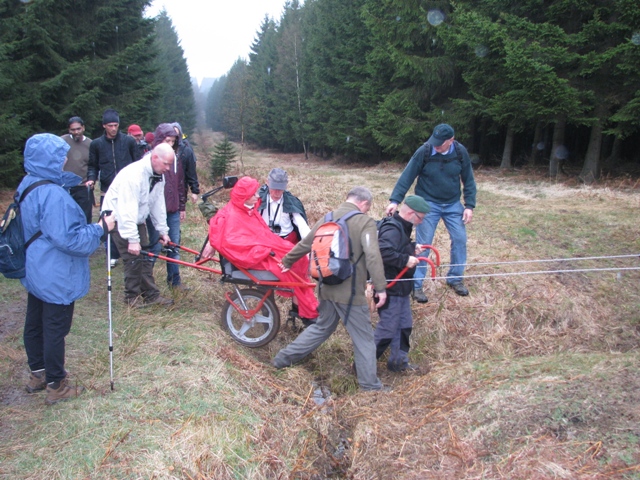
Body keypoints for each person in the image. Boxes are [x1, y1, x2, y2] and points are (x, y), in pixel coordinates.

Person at [18, 133, 115, 404]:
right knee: (54, 328)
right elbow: (71, 239)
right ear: (49, 159)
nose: (64, 159)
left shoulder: (29, 182)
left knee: (35, 321)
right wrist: (100, 229)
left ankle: (38, 374)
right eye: (59, 156)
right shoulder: (51, 195)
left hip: (36, 265)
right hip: (54, 271)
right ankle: (56, 385)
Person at [273, 186, 389, 392]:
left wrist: (288, 260)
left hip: (325, 287)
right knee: (364, 338)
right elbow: (372, 255)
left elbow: (306, 243)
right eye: (367, 208)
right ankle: (370, 385)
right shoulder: (364, 222)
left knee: (321, 328)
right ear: (364, 204)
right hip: (350, 294)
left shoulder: (328, 218)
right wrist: (380, 287)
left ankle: (281, 359)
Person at [200, 177, 319, 321]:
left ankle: (299, 306)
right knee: (293, 264)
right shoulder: (234, 214)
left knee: (296, 257)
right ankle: (304, 309)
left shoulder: (243, 208)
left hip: (265, 247)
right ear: (244, 196)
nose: (258, 196)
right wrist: (262, 250)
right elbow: (234, 246)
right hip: (257, 256)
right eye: (253, 194)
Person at [385, 123, 477, 301]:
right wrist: (394, 200)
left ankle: (455, 278)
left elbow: (468, 179)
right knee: (423, 244)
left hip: (452, 205)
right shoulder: (425, 151)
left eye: (441, 143)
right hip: (428, 205)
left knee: (460, 239)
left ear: (451, 140)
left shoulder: (460, 152)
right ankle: (416, 285)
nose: (436, 145)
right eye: (435, 140)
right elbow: (407, 175)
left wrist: (469, 205)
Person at [101, 143, 175, 308]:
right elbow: (126, 208)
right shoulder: (134, 175)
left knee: (145, 257)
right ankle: (131, 299)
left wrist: (163, 230)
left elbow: (157, 204)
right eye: (166, 164)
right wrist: (132, 239)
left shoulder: (157, 175)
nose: (168, 168)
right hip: (118, 219)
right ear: (155, 158)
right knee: (133, 259)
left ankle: (151, 295)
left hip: (137, 218)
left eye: (170, 164)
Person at [375, 196, 429, 372]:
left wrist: (412, 248)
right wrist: (406, 259)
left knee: (404, 326)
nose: (421, 223)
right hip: (390, 287)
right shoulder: (393, 228)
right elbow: (382, 252)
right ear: (412, 214)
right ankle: (363, 366)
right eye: (420, 218)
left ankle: (399, 363)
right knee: (387, 329)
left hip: (402, 288)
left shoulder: (402, 228)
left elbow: (397, 248)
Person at [87, 109, 138, 267]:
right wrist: (91, 179)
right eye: (110, 125)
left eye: (116, 125)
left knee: (129, 219)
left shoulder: (129, 142)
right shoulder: (96, 144)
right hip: (107, 190)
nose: (114, 128)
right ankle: (112, 254)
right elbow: (93, 165)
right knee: (108, 222)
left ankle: (131, 250)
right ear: (104, 126)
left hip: (128, 189)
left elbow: (138, 163)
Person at [151, 123, 187, 290]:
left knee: (174, 247)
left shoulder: (176, 160)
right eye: (167, 140)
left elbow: (180, 184)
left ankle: (175, 281)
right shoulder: (151, 161)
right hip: (154, 213)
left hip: (172, 210)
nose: (170, 144)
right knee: (154, 248)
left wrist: (181, 206)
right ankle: (146, 285)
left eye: (173, 141)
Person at [258, 168, 310, 244]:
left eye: (280, 189)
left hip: (286, 242)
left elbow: (302, 226)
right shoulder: (258, 199)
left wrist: (311, 243)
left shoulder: (291, 202)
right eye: (274, 188)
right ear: (267, 182)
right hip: (263, 240)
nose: (277, 192)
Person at [60, 116, 93, 224]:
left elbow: (93, 165)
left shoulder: (90, 144)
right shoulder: (62, 141)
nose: (76, 132)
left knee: (84, 218)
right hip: (65, 187)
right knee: (66, 218)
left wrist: (92, 179)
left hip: (83, 187)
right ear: (69, 130)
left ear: (83, 128)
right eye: (73, 130)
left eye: (78, 129)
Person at [171, 123, 200, 204]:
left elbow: (191, 172)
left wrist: (194, 191)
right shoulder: (162, 149)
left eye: (176, 133)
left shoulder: (186, 151)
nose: (174, 136)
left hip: (181, 189)